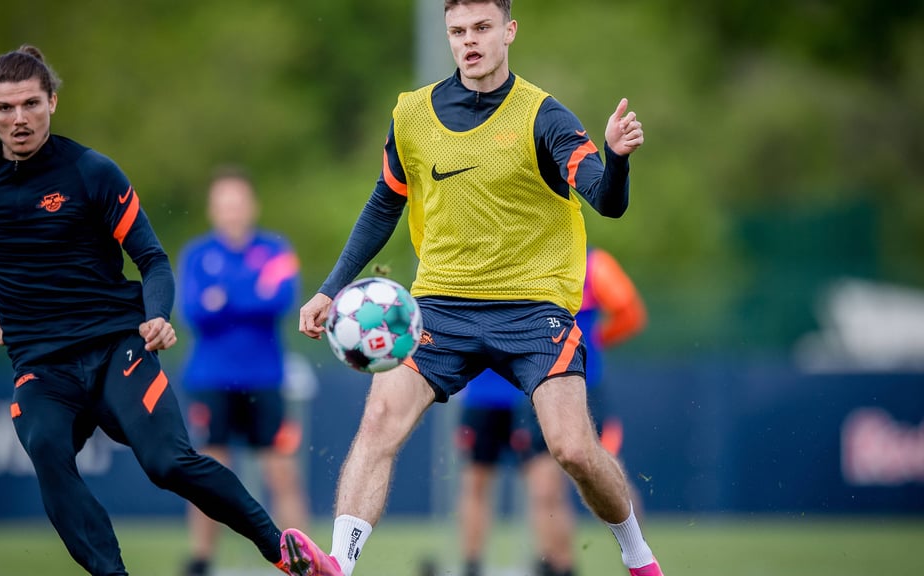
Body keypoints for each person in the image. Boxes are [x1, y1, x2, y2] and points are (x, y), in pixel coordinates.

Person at [281, 1, 663, 575]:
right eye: (458, 31)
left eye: (482, 28)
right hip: (441, 306)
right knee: (380, 419)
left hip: (534, 309)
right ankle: (338, 563)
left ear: (509, 31)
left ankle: (640, 558)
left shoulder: (544, 116)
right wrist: (331, 289)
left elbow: (607, 201)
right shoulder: (411, 115)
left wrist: (617, 157)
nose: (470, 41)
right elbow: (384, 205)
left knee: (573, 450)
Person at [0, 45, 289, 576]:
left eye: (31, 104)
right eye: (6, 108)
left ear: (53, 102)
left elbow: (153, 260)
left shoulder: (90, 172)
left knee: (168, 463)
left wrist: (157, 314)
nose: (19, 119)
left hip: (115, 348)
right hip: (41, 364)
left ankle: (284, 552)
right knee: (48, 455)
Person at [456, 246, 648, 576]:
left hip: (586, 390)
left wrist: (592, 342)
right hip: (538, 391)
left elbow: (630, 313)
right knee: (545, 490)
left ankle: (639, 555)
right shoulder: (517, 261)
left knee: (605, 474)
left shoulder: (593, 265)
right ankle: (561, 568)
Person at [177, 166, 309, 576]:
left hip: (265, 379)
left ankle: (304, 561)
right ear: (212, 210)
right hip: (211, 380)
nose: (232, 211)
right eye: (223, 204)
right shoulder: (197, 254)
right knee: (208, 476)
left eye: (238, 203)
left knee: (281, 473)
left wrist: (226, 298)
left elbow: (282, 300)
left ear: (252, 206)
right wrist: (248, 293)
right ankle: (201, 561)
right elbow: (194, 311)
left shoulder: (275, 248)